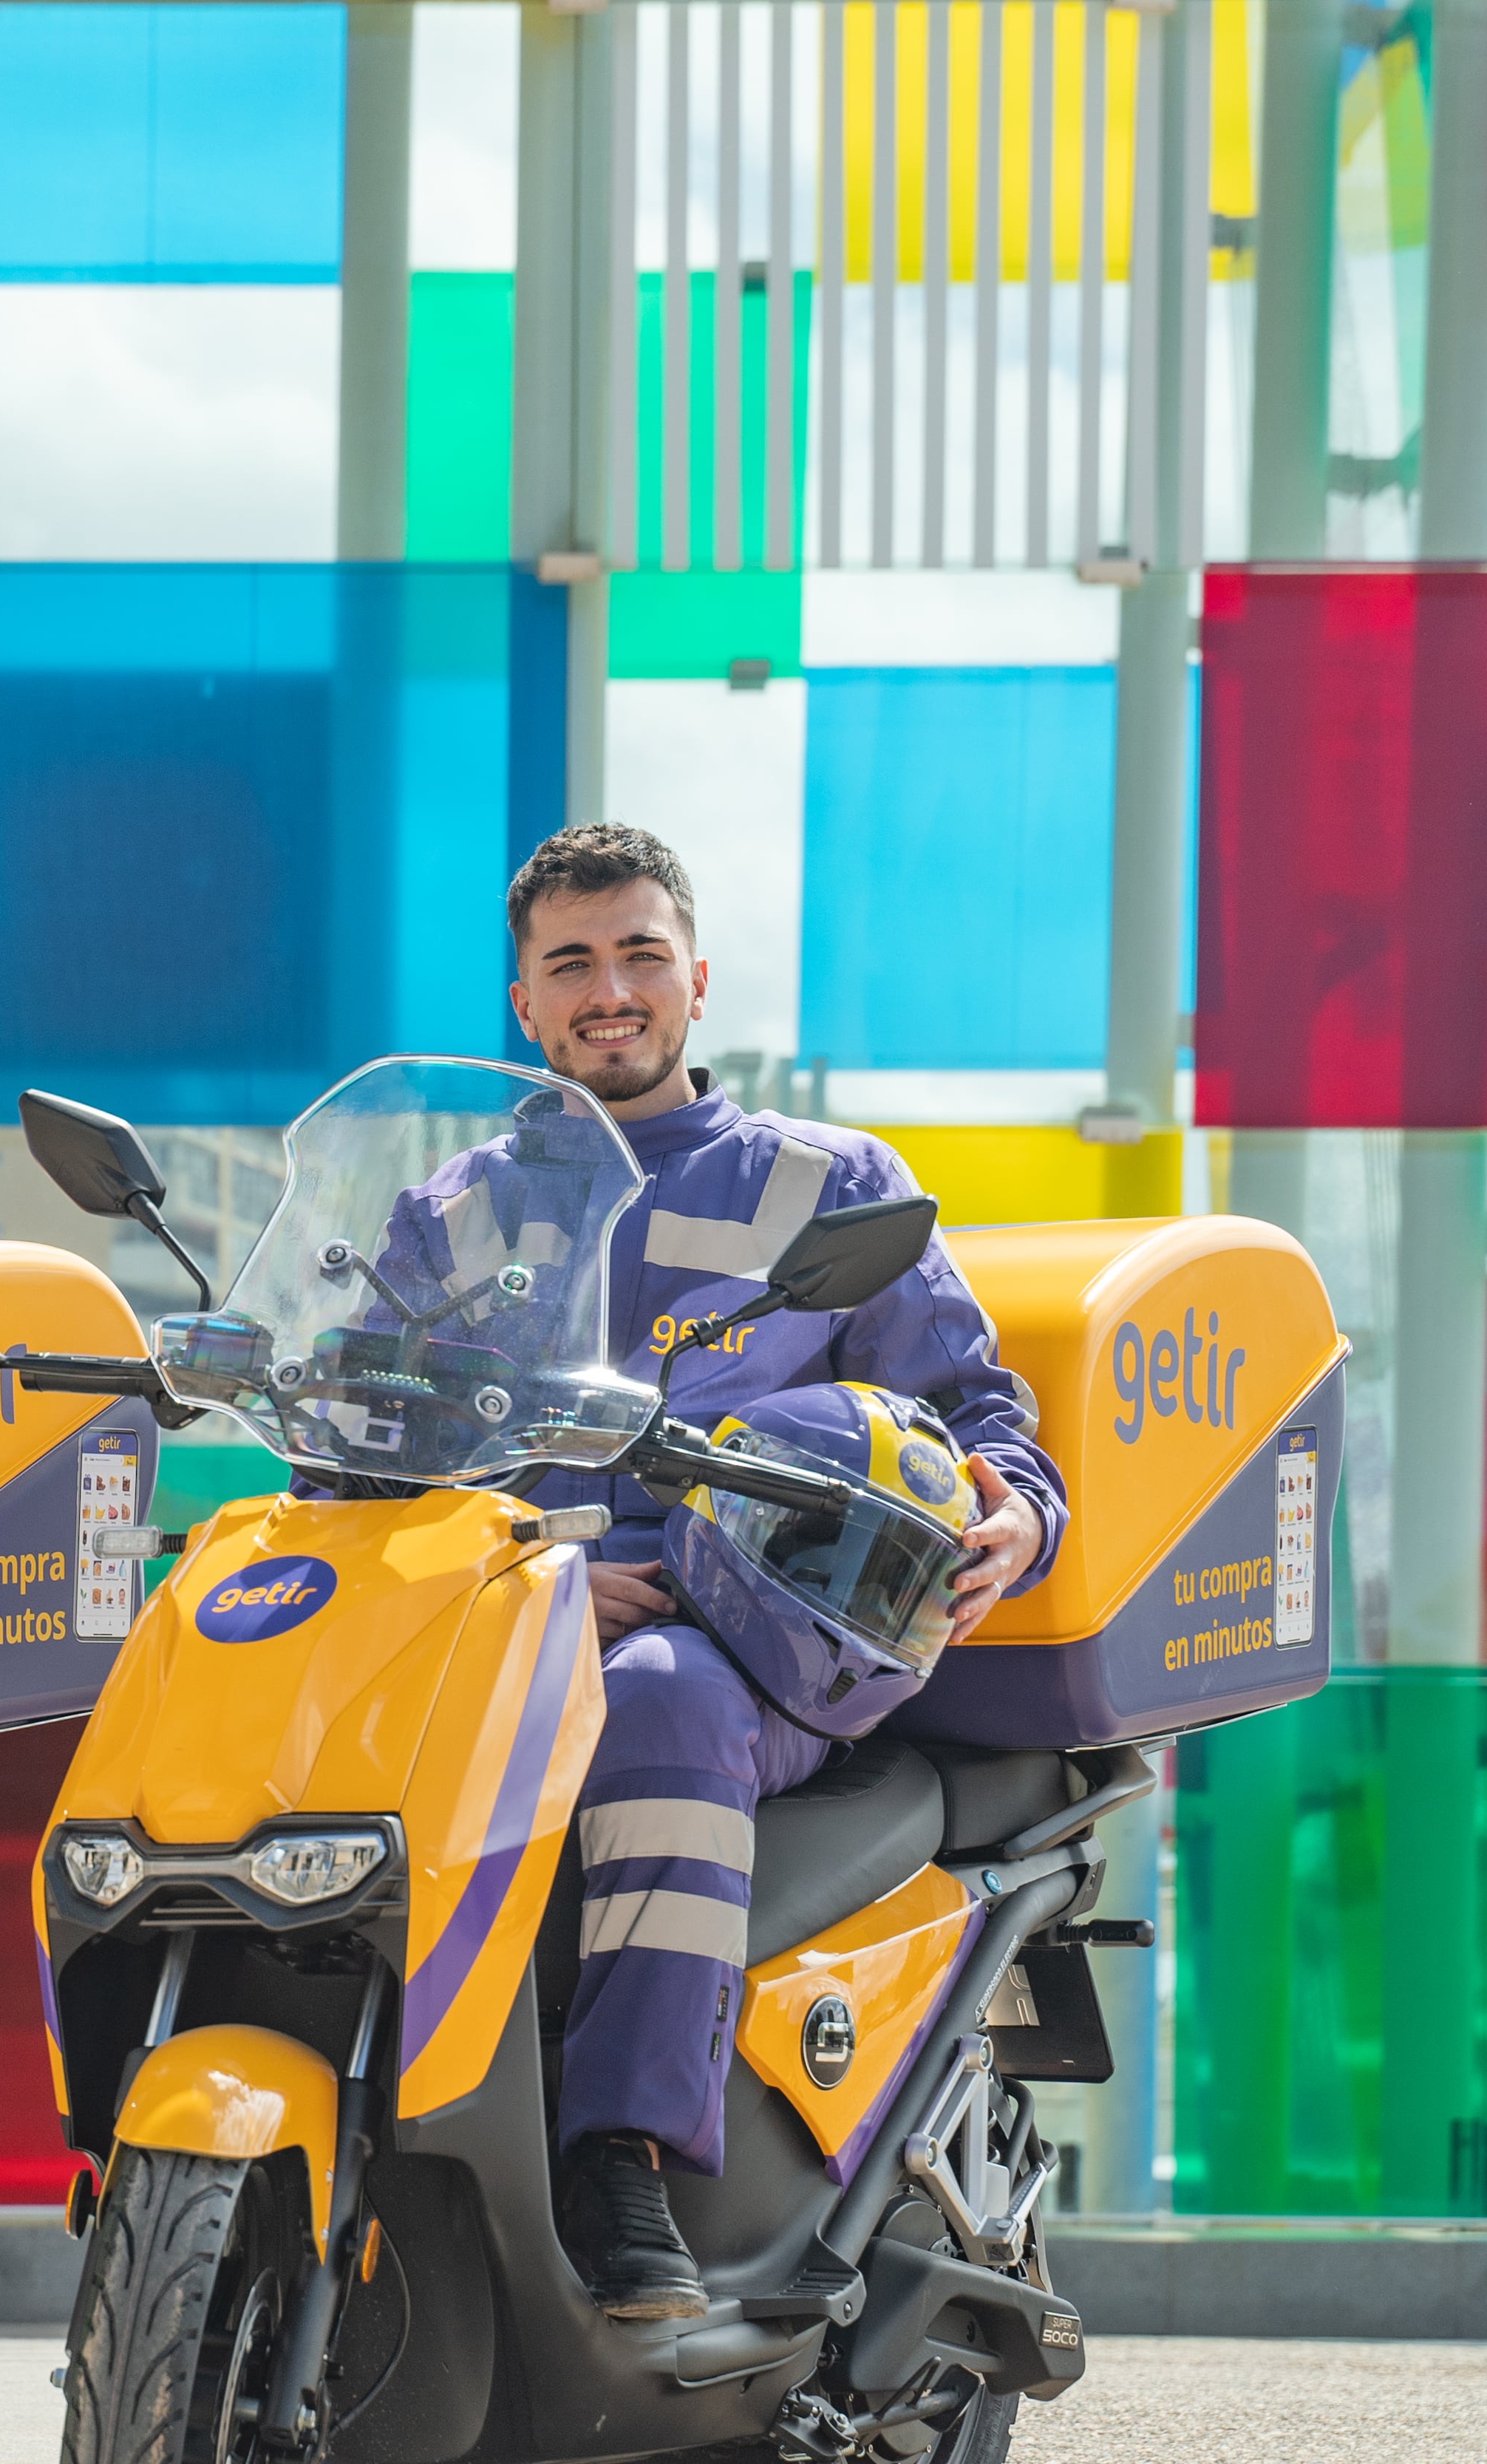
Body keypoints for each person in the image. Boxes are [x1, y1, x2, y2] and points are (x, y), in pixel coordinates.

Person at [494, 824, 1066, 2321]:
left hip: (747, 1635)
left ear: (695, 978)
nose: (606, 988)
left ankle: (621, 2161)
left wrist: (1027, 1516)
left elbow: (976, 1412)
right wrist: (532, 1564)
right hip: (492, 1624)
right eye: (571, 961)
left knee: (661, 1697)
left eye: (636, 954)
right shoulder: (452, 1214)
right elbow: (357, 1434)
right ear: (525, 1001)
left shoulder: (822, 1183)